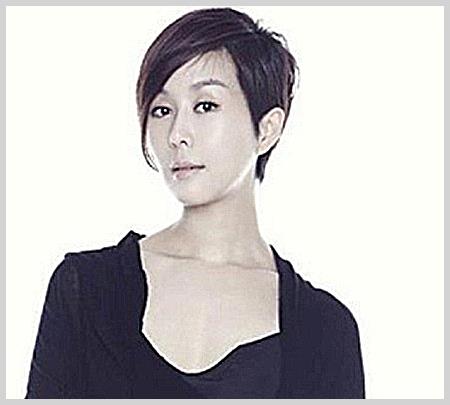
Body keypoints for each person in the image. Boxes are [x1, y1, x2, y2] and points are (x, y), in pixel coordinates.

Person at [25, 7, 365, 398]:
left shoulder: (325, 330)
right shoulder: (86, 287)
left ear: (267, 128)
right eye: (162, 110)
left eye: (205, 106)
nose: (176, 134)